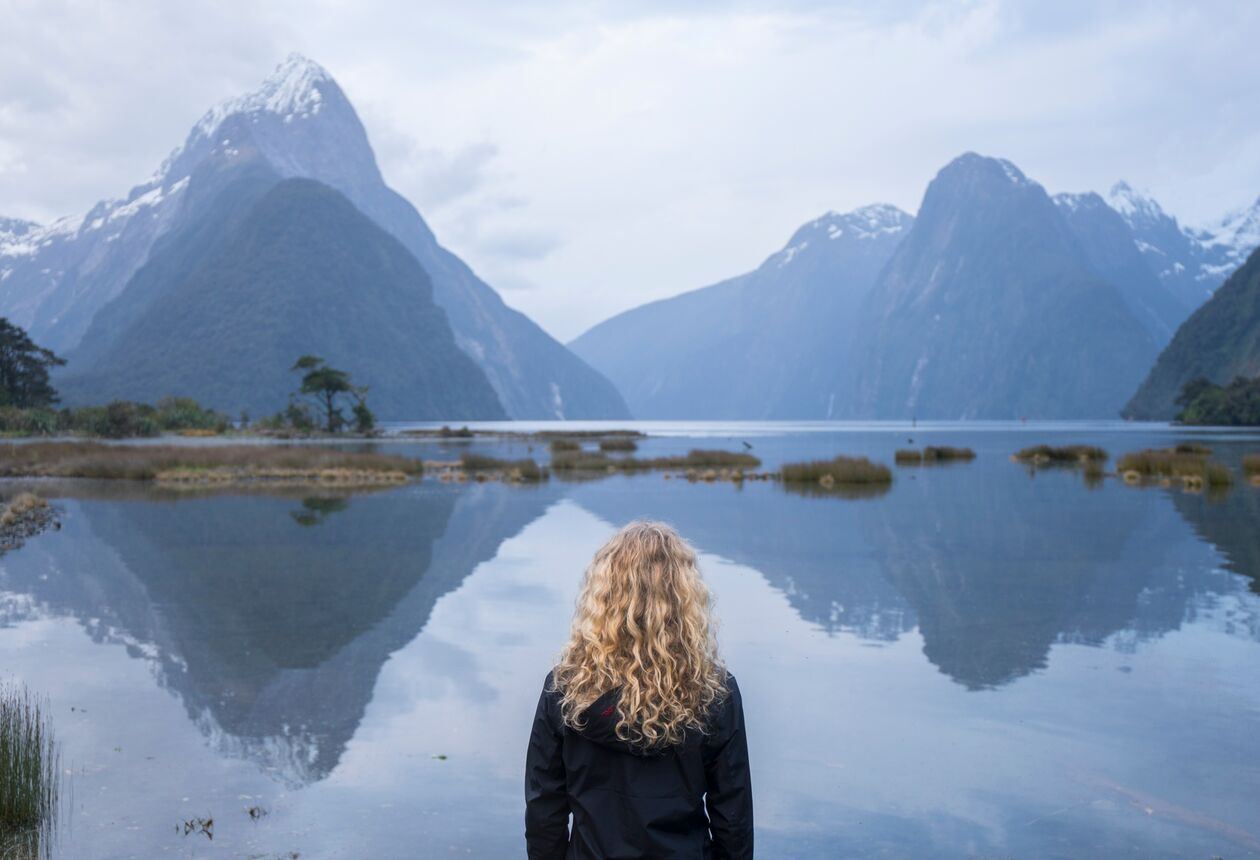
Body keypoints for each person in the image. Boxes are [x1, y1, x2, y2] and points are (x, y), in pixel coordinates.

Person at [525, 520, 753, 859]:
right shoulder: (713, 694)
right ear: (684, 600)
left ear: (603, 598)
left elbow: (545, 813)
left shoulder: (566, 689)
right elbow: (732, 821)